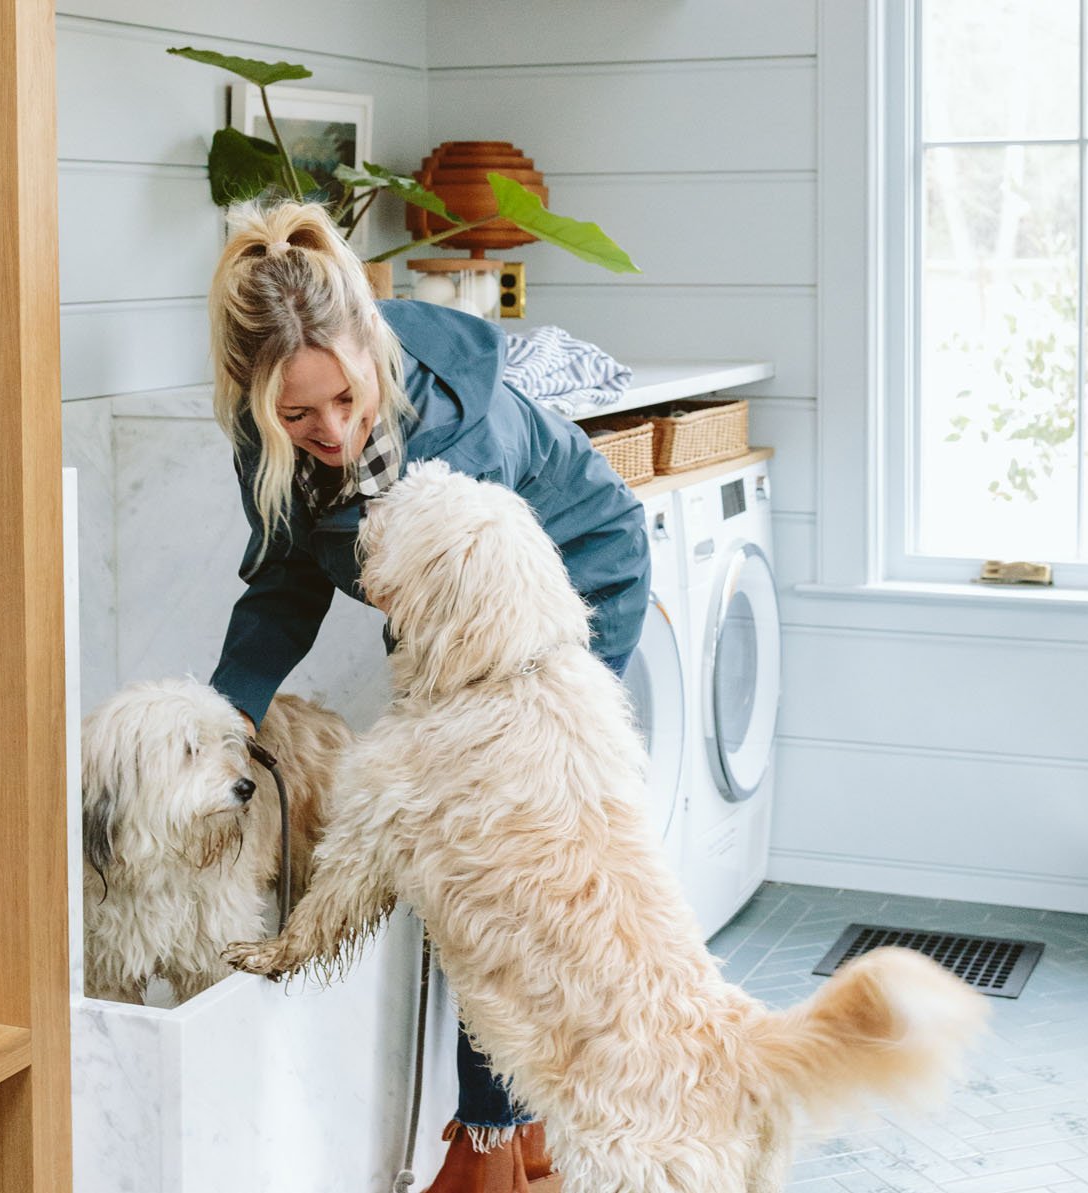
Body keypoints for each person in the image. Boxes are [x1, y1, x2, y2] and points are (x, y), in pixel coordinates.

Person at [207, 199, 648, 1193]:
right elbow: (283, 580)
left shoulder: (461, 439)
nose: (326, 430)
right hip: (458, 632)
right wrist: (225, 716)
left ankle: (484, 1143)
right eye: (294, 413)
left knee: (492, 869)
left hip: (571, 592)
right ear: (255, 395)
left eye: (344, 401)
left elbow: (453, 636)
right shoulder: (268, 438)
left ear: (372, 346)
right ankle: (526, 1134)